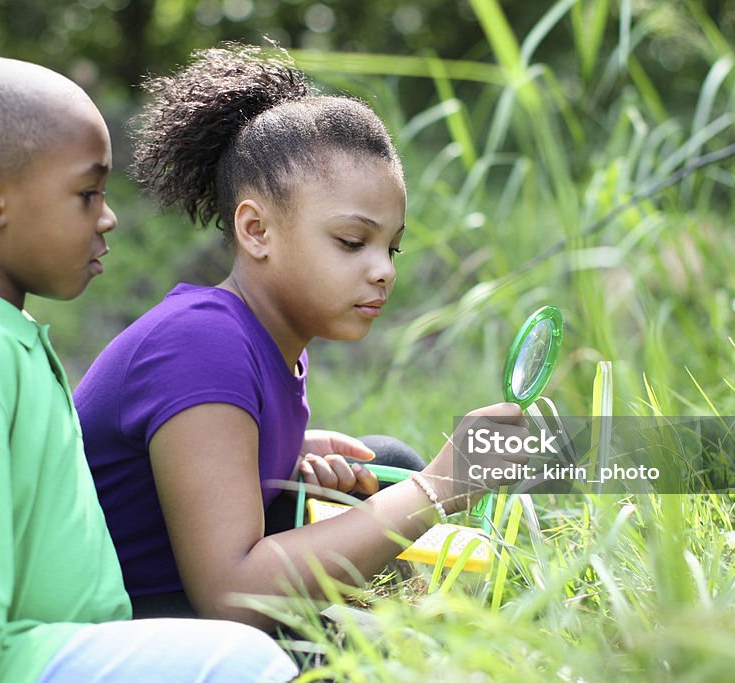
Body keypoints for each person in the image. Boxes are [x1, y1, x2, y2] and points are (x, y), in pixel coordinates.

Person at [0, 56, 297, 682]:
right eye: (87, 194)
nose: (107, 217)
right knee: (239, 661)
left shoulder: (5, 335)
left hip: (35, 646)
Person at [74, 44, 525, 630]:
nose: (383, 269)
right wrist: (437, 488)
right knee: (391, 625)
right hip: (128, 631)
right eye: (351, 242)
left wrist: (277, 454)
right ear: (256, 229)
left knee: (381, 462)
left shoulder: (264, 342)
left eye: (392, 246)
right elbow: (233, 595)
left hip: (187, 603)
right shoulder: (202, 341)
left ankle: (421, 614)